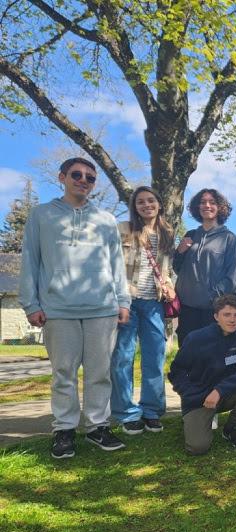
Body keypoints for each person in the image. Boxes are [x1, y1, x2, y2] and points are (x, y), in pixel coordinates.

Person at [19, 157, 131, 459]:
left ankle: (97, 427)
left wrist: (123, 301)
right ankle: (64, 430)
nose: (83, 180)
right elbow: (30, 260)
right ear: (62, 177)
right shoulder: (41, 215)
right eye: (77, 175)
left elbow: (116, 265)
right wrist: (30, 303)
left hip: (102, 309)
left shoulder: (106, 220)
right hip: (57, 308)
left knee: (99, 373)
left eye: (90, 178)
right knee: (63, 373)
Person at [110, 186, 176, 435]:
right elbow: (111, 265)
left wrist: (169, 285)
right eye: (140, 202)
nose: (146, 205)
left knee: (155, 358)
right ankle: (127, 412)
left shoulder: (167, 232)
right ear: (134, 206)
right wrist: (118, 298)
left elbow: (165, 269)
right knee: (123, 358)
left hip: (154, 304)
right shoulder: (122, 230)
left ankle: (151, 411)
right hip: (127, 300)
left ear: (159, 203)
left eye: (151, 200)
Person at [168, 294, 236, 455]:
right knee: (197, 447)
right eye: (227, 314)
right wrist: (190, 394)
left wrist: (219, 390)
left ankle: (230, 429)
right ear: (216, 316)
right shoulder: (196, 338)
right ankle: (198, 420)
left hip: (225, 394)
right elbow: (177, 371)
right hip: (200, 398)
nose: (232, 320)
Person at [173, 188, 236, 345]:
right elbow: (178, 269)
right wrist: (180, 253)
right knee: (187, 354)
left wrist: (215, 296)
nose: (207, 205)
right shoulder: (190, 235)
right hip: (187, 308)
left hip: (213, 310)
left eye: (212, 202)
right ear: (198, 207)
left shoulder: (228, 238)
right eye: (202, 202)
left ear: (220, 207)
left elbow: (234, 276)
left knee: (211, 356)